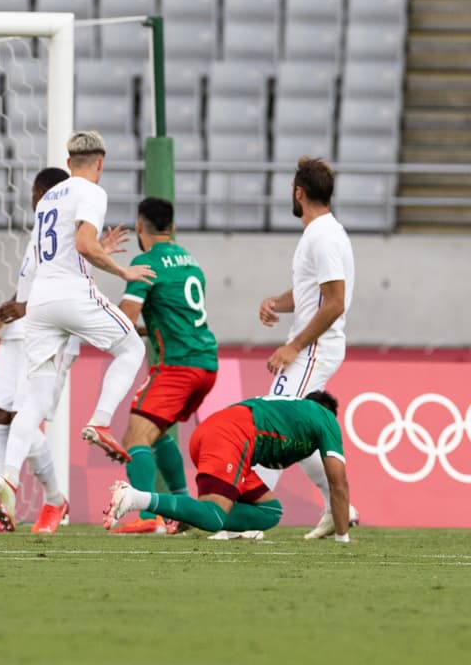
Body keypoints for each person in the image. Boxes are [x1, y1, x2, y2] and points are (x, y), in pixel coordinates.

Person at [0, 131, 155, 530]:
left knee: (35, 400)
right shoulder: (91, 192)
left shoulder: (49, 198)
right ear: (100, 161)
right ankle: (99, 420)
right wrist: (122, 270)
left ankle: (8, 477)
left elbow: (61, 246)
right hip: (72, 293)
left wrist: (99, 248)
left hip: (40, 305)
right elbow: (82, 244)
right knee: (132, 350)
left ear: (68, 160)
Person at [0, 168, 78, 535]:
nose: (34, 203)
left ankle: (55, 500)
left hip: (54, 331)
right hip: (24, 329)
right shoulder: (41, 231)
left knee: (24, 417)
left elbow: (69, 288)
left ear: (43, 196)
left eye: (35, 195)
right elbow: (30, 286)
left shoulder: (71, 232)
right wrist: (3, 316)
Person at [248, 156, 358, 540]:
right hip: (317, 345)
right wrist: (277, 303)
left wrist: (294, 346)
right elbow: (312, 293)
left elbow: (334, 302)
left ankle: (249, 519)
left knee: (275, 418)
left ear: (298, 192)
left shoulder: (323, 236)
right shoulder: (322, 233)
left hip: (316, 348)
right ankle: (337, 507)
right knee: (302, 428)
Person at [103, 391, 353, 541]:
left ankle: (188, 514)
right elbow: (338, 483)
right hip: (231, 437)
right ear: (328, 412)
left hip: (217, 434)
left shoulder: (291, 412)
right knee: (213, 516)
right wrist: (343, 538)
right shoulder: (324, 417)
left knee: (269, 512)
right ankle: (134, 497)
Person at [109, 197, 218, 534]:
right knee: (155, 434)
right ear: (173, 227)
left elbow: (124, 320)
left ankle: (147, 517)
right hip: (207, 364)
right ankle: (183, 510)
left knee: (134, 438)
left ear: (139, 227)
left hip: (177, 367)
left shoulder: (146, 263)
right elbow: (173, 316)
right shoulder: (191, 262)